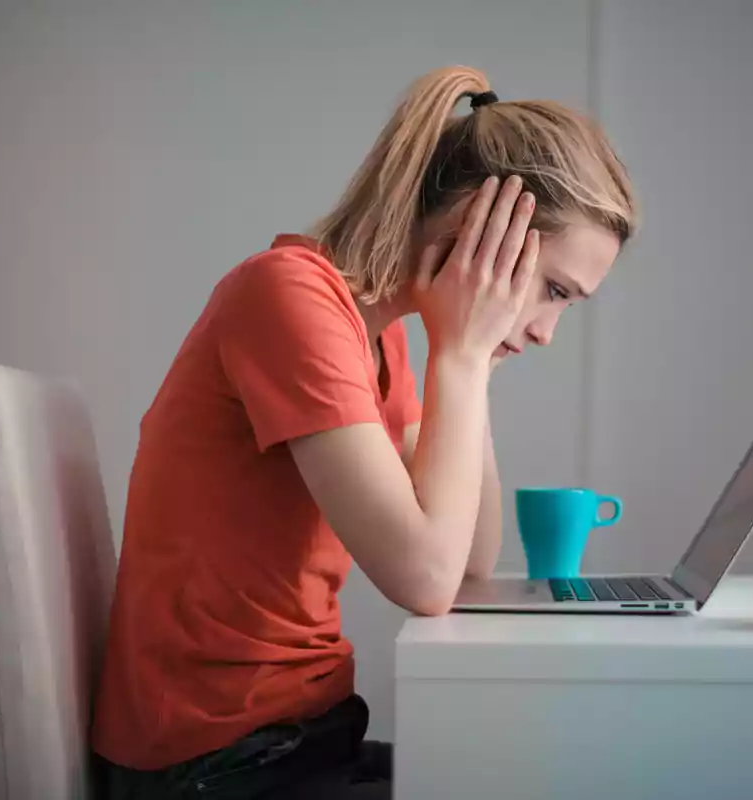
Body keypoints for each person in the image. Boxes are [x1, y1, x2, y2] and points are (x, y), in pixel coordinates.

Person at [90, 64, 637, 798]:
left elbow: (470, 556)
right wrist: (464, 355)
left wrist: (469, 356)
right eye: (555, 290)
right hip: (216, 761)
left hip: (300, 736)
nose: (548, 330)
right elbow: (427, 580)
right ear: (483, 229)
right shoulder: (288, 297)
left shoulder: (378, 338)